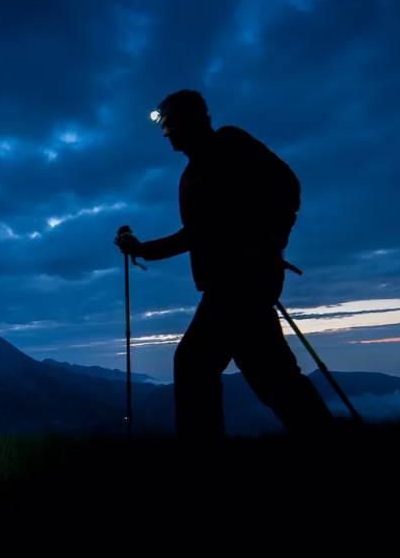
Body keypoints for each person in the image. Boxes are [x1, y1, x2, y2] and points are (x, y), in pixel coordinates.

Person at [114, 89, 334, 441]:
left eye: (168, 123)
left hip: (239, 284)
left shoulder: (229, 143)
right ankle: (325, 436)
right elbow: (196, 234)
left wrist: (267, 243)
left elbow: (286, 187)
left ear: (191, 120)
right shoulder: (193, 173)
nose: (164, 132)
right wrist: (142, 249)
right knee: (271, 376)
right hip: (236, 282)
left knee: (194, 365)